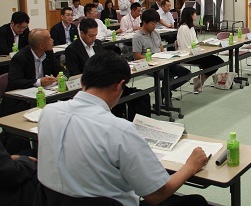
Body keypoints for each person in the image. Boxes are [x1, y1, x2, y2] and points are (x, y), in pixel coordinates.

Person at [38, 51, 208, 206]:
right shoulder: (120, 130)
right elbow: (157, 195)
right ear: (119, 86)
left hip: (55, 200)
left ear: (82, 80)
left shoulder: (48, 113)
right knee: (196, 202)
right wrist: (191, 166)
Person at [66, 19, 149, 121]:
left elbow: (105, 64)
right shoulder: (72, 49)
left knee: (141, 95)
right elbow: (75, 74)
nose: (93, 38)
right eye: (91, 36)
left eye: (95, 35)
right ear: (81, 33)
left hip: (107, 82)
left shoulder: (97, 44)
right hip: (92, 88)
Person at [0, 28, 65, 153]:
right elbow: (14, 82)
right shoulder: (20, 57)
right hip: (18, 102)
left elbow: (61, 69)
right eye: (49, 38)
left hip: (43, 96)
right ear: (41, 45)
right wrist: (39, 82)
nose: (52, 40)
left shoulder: (49, 53)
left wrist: (60, 76)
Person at [132, 9, 190, 109]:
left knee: (186, 73)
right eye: (152, 23)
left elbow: (161, 48)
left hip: (163, 61)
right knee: (168, 76)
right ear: (144, 22)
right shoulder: (138, 36)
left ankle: (165, 93)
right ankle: (166, 100)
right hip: (150, 65)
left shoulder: (155, 33)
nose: (154, 26)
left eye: (156, 23)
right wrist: (151, 59)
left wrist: (166, 56)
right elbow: (136, 56)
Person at [177, 7, 224, 93]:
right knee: (213, 62)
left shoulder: (191, 27)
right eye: (194, 14)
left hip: (196, 52)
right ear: (190, 15)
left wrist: (203, 46)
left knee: (218, 61)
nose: (196, 15)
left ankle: (200, 80)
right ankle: (199, 81)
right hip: (188, 55)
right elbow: (185, 47)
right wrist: (197, 49)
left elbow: (195, 42)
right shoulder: (183, 28)